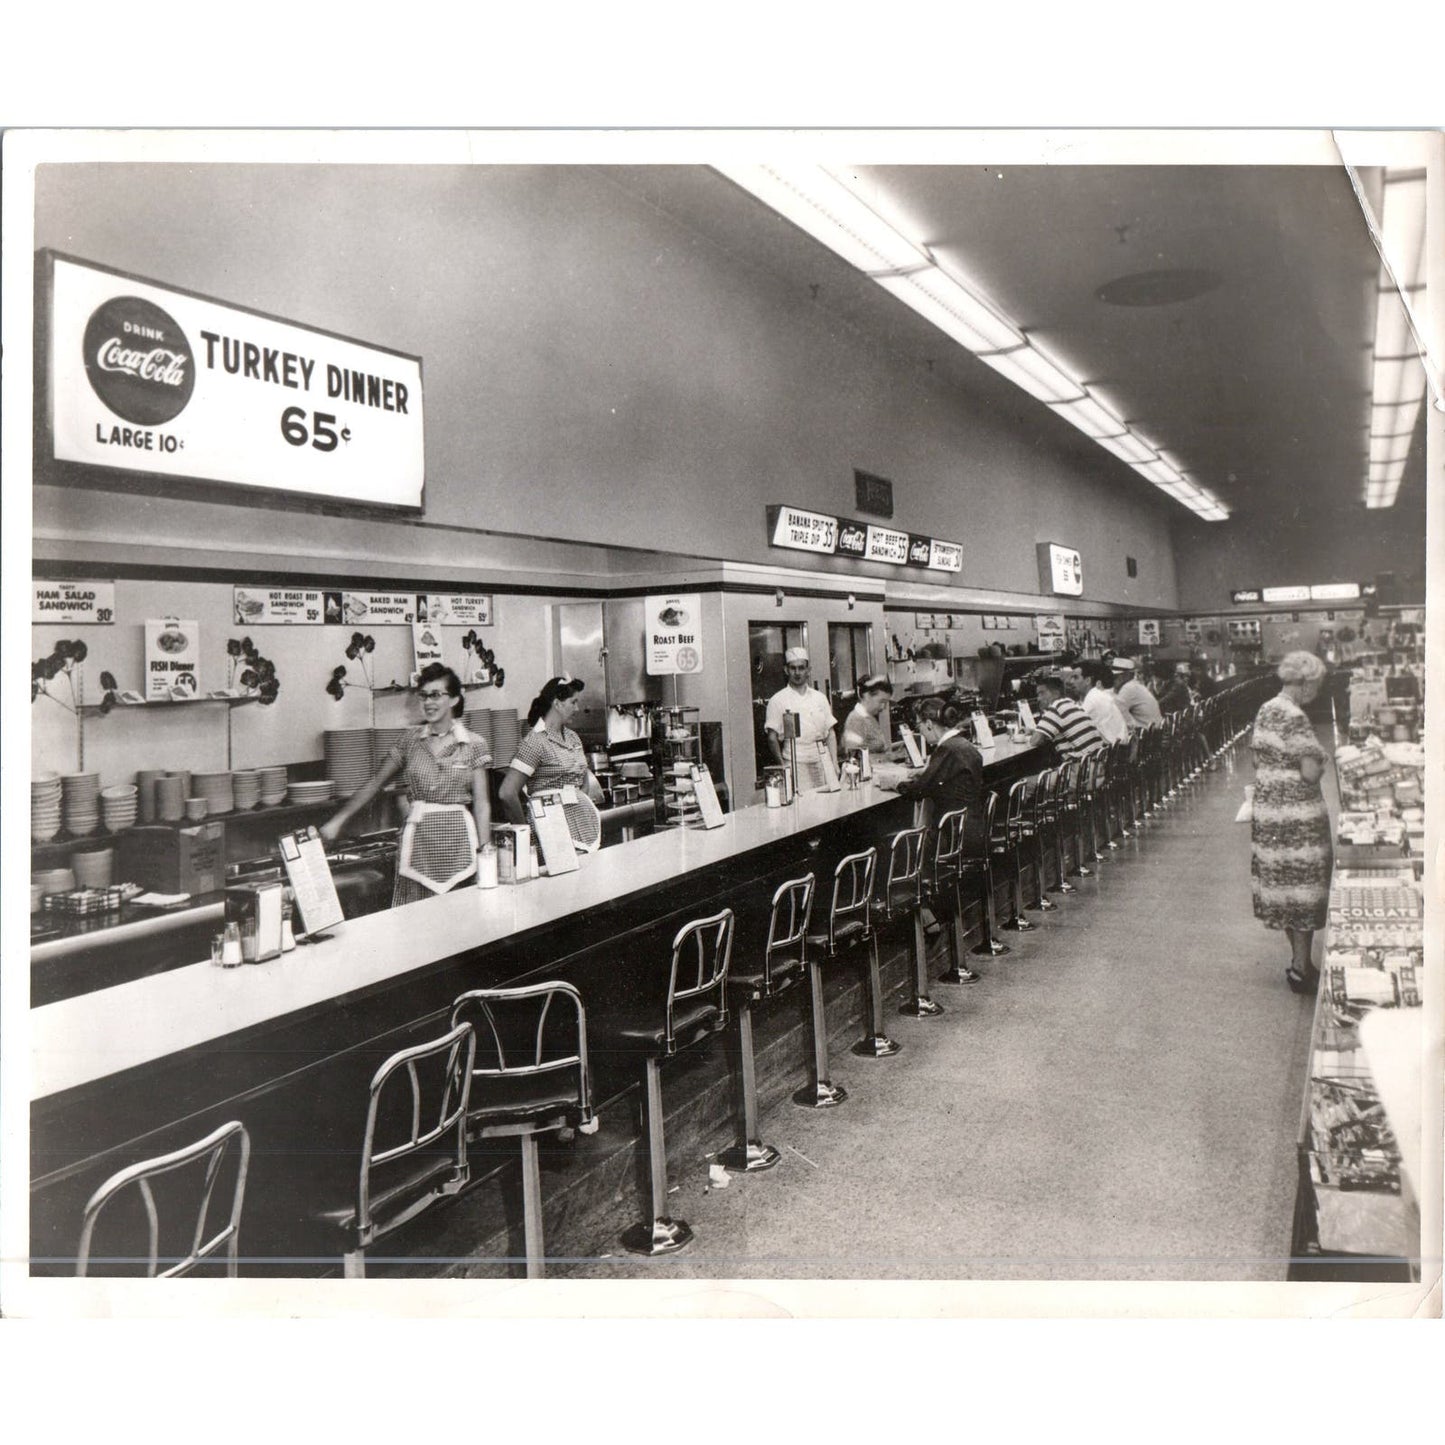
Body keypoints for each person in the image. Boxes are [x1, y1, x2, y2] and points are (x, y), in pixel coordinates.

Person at [320, 663, 492, 907]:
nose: (428, 702)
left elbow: (482, 804)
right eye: (423, 696)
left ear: (454, 699)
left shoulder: (474, 744)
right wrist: (338, 821)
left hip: (459, 850)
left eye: (435, 695)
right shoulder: (409, 741)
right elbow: (375, 782)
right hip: (417, 849)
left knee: (460, 921)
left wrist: (486, 855)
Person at [1250, 651, 1333, 993]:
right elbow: (1311, 773)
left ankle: (1300, 963)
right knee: (1305, 886)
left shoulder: (1266, 708)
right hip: (1298, 815)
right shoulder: (1295, 716)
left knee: (1284, 887)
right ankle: (1301, 966)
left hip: (1269, 812)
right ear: (1308, 682)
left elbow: (1256, 757)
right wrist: (1323, 760)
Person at [892, 697, 985, 983]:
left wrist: (894, 783)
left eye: (921, 726)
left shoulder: (946, 749)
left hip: (953, 838)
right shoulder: (964, 745)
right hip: (971, 831)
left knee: (898, 856)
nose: (921, 732)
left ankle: (928, 921)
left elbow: (919, 789)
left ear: (930, 724)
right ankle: (930, 919)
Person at [499, 675, 605, 824]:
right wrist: (525, 830)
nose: (577, 708)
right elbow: (507, 792)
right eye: (573, 702)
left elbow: (583, 777)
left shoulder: (573, 737)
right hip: (549, 827)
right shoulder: (535, 741)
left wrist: (580, 806)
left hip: (578, 823)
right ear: (557, 703)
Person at [764, 646, 838, 788]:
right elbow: (772, 738)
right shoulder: (778, 700)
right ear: (786, 670)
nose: (797, 673)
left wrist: (834, 763)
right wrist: (783, 767)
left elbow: (831, 733)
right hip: (795, 764)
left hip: (822, 761)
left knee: (826, 805)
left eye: (801, 668)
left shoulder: (820, 697)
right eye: (793, 668)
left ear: (808, 670)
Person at [1027, 673, 1106, 758]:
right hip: (1097, 761)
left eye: (1042, 693)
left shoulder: (1055, 708)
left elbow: (1034, 741)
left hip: (1082, 766)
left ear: (1056, 694)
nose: (1039, 698)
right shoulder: (1072, 704)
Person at [841, 673, 896, 758]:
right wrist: (890, 757)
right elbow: (856, 756)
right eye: (882, 702)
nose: (883, 707)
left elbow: (876, 748)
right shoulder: (855, 720)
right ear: (867, 696)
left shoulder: (869, 718)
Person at [1079, 661, 1129, 744]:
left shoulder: (1094, 695)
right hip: (1119, 746)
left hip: (1111, 749)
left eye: (1076, 677)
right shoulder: (1104, 696)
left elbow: (1079, 724)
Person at [1112, 657, 1162, 731]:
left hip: (1146, 736)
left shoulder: (1128, 688)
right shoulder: (1136, 685)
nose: (1114, 680)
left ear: (1127, 675)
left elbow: (1117, 714)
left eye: (1117, 676)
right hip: (1154, 732)